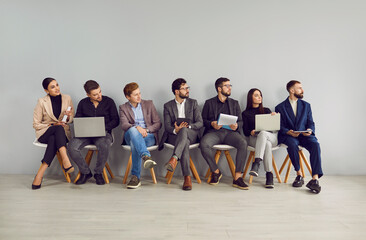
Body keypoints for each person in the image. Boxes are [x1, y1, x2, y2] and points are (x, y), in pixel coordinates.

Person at [200, 77, 249, 190]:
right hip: (214, 132)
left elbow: (241, 121)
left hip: (230, 133)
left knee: (243, 143)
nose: (229, 88)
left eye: (230, 86)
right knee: (203, 144)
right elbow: (203, 120)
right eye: (227, 86)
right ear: (219, 88)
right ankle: (216, 171)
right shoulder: (209, 103)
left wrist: (237, 125)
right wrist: (212, 124)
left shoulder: (234, 103)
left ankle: (237, 178)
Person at [67, 80, 119, 185]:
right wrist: (71, 118)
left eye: (100, 92)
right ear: (88, 94)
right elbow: (78, 118)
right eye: (95, 94)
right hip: (85, 134)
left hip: (103, 134)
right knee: (72, 146)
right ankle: (85, 172)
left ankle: (98, 173)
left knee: (103, 145)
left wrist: (103, 127)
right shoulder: (83, 103)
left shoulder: (109, 102)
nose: (99, 95)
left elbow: (116, 120)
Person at [275, 80, 323, 193]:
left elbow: (311, 122)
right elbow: (279, 126)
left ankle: (315, 179)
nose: (302, 90)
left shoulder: (306, 105)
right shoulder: (280, 107)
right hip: (289, 136)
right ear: (292, 90)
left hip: (304, 135)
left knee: (315, 144)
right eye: (300, 88)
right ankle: (299, 175)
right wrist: (288, 132)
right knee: (292, 144)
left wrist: (310, 131)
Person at [159, 78, 203, 190]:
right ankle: (187, 178)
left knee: (184, 130)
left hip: (192, 134)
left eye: (187, 88)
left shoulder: (193, 103)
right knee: (185, 144)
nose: (187, 90)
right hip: (175, 136)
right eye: (184, 88)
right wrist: (176, 130)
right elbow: (167, 126)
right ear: (177, 91)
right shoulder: (168, 106)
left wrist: (187, 127)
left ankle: (174, 158)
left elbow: (200, 123)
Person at [32, 77, 74, 190]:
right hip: (45, 133)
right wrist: (52, 125)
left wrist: (68, 116)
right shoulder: (42, 101)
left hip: (61, 134)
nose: (57, 88)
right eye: (52, 87)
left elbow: (71, 120)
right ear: (46, 90)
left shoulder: (67, 98)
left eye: (57, 85)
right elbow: (36, 124)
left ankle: (40, 174)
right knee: (57, 128)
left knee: (54, 137)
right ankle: (66, 159)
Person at [119, 82, 161, 189]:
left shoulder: (149, 104)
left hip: (148, 136)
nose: (139, 97)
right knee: (133, 131)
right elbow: (124, 125)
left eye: (139, 93)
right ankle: (146, 156)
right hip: (131, 135)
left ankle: (135, 178)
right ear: (128, 97)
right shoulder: (123, 108)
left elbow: (158, 124)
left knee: (135, 144)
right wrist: (137, 128)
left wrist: (146, 130)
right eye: (135, 94)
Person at [242, 88, 278, 188]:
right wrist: (251, 132)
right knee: (266, 144)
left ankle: (256, 163)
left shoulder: (266, 110)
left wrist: (273, 118)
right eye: (257, 95)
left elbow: (274, 129)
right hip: (255, 139)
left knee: (263, 133)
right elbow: (245, 132)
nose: (260, 97)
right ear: (250, 97)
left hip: (271, 137)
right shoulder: (245, 113)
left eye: (260, 95)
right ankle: (269, 175)